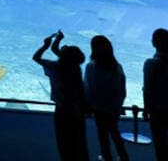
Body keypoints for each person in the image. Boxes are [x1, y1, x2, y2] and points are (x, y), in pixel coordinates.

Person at [33, 30, 89, 161]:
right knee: (78, 138)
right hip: (78, 107)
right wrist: (57, 41)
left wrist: (45, 46)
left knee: (64, 138)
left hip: (63, 108)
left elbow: (36, 58)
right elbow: (59, 52)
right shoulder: (75, 67)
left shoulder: (55, 67)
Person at [84, 35, 129, 161]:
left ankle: (106, 156)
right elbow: (122, 90)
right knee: (115, 132)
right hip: (113, 107)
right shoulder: (117, 67)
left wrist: (87, 105)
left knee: (102, 134)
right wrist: (118, 106)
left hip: (98, 108)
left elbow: (89, 89)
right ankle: (124, 157)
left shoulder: (91, 67)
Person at [144, 28, 168, 161]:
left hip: (157, 110)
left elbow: (147, 89)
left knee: (160, 145)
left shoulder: (151, 64)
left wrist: (146, 109)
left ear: (153, 43)